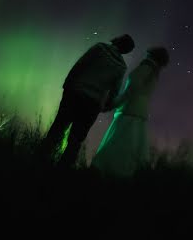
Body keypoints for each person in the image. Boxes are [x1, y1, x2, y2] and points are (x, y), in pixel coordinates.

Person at [41, 34, 135, 167]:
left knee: (57, 129)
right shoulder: (121, 67)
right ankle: (62, 173)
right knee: (75, 141)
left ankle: (39, 161)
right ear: (126, 51)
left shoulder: (100, 48)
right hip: (92, 105)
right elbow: (114, 91)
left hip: (75, 94)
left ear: (118, 40)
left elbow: (80, 64)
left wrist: (67, 84)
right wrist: (106, 107)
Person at [91, 46, 170, 177]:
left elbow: (131, 90)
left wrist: (114, 103)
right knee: (132, 150)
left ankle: (108, 175)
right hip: (139, 113)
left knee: (117, 146)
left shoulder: (145, 68)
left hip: (129, 112)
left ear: (150, 55)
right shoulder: (154, 73)